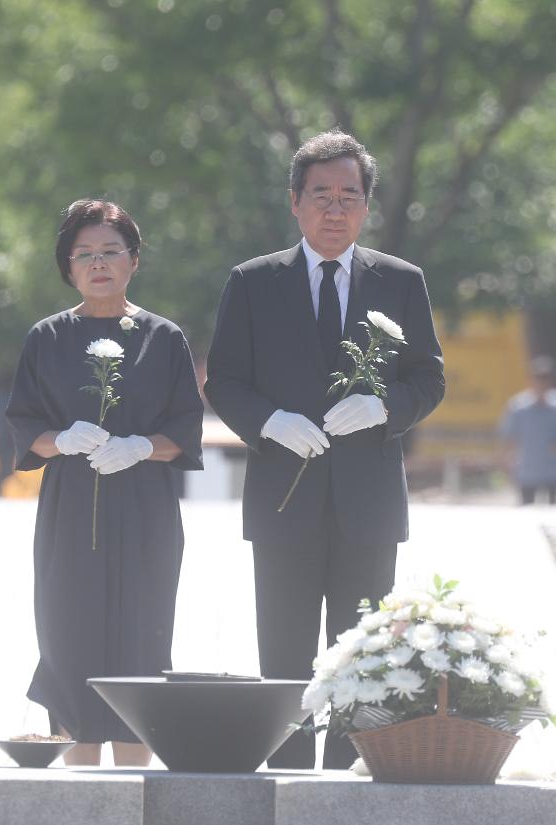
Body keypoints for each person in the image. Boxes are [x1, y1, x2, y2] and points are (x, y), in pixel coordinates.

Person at [205, 130, 444, 769]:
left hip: (368, 505)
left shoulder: (400, 281)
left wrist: (385, 407)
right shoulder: (254, 282)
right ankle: (284, 781)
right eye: (321, 196)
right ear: (295, 201)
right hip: (282, 499)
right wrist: (270, 421)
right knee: (282, 659)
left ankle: (346, 786)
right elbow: (224, 379)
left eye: (348, 196)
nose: (334, 210)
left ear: (366, 206)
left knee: (361, 659)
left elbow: (429, 376)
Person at [6, 199, 203, 766]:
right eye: (84, 254)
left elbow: (184, 428)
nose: (98, 264)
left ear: (134, 261)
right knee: (68, 639)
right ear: (68, 266)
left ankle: (132, 792)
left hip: (146, 512)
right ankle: (83, 795)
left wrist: (141, 446)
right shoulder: (46, 337)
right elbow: (25, 426)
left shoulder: (162, 337)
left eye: (110, 252)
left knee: (141, 641)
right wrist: (61, 440)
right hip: (70, 511)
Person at [499, 355, 556, 505]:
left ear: (551, 380)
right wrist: (506, 463)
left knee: (552, 510)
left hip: (552, 469)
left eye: (545, 378)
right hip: (527, 469)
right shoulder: (518, 406)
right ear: (531, 379)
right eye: (538, 377)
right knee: (526, 511)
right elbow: (509, 437)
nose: (541, 382)